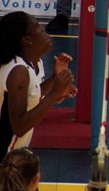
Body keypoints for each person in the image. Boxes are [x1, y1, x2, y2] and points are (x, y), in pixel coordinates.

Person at [0, 12, 78, 158]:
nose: (45, 32)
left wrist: (55, 79)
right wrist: (54, 93)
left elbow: (32, 95)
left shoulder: (35, 63)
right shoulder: (18, 72)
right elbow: (19, 127)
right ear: (27, 39)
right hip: (5, 157)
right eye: (38, 28)